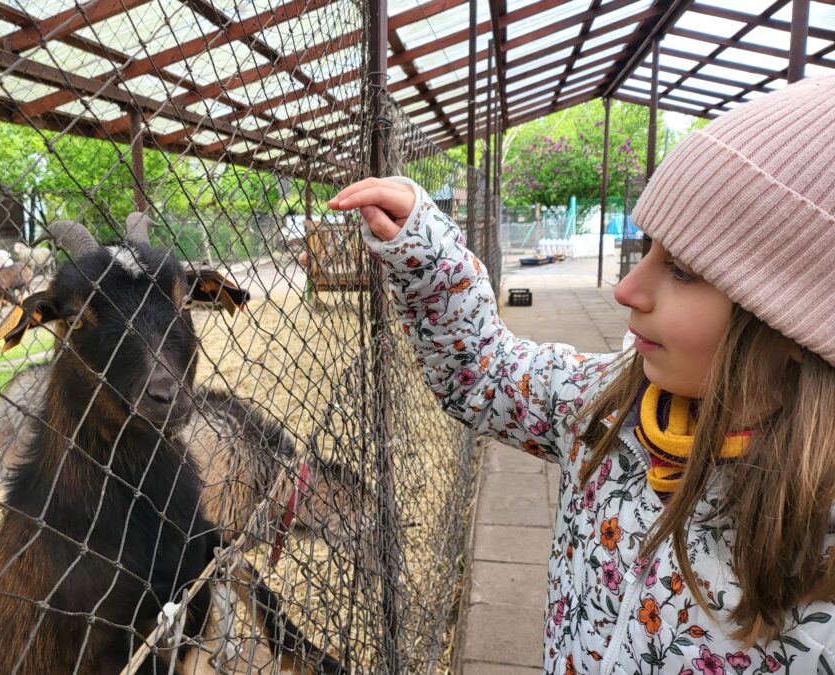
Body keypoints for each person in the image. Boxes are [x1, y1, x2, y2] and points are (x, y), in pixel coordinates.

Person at [329, 76, 835, 672]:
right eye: (647, 250)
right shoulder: (603, 404)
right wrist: (431, 261)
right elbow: (486, 374)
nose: (627, 289)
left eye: (683, 271)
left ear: (800, 322)